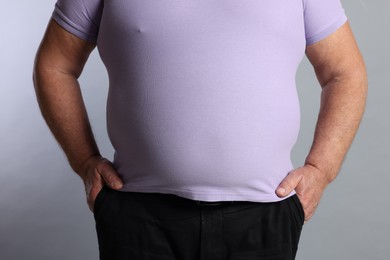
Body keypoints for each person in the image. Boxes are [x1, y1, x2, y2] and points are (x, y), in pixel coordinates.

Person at [33, 0, 367, 259]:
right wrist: (84, 160)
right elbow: (55, 65)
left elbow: (344, 72)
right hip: (139, 214)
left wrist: (321, 169)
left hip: (263, 214)